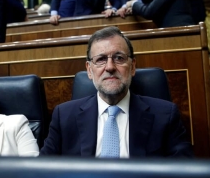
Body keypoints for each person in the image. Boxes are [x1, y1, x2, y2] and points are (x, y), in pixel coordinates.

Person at [40, 26, 193, 157]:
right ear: (89, 70)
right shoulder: (64, 116)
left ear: (132, 67)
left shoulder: (165, 115)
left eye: (119, 58)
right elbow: (42, 173)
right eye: (100, 59)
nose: (110, 67)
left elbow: (184, 174)